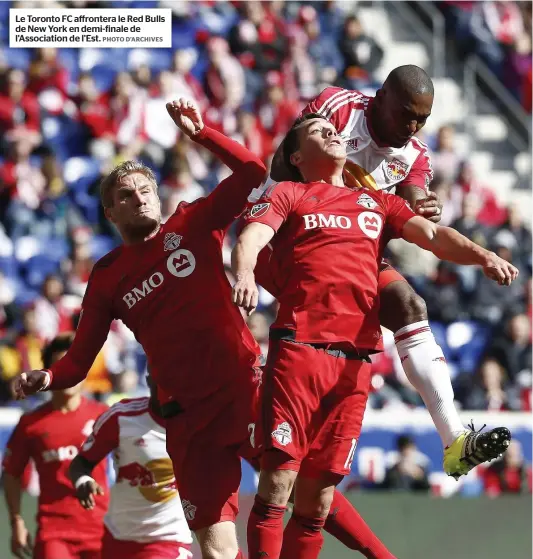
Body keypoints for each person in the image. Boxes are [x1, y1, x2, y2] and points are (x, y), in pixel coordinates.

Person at [233, 113, 516, 559]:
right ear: (295, 156)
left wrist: (482, 256)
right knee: (277, 485)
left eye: (332, 128)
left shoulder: (375, 203)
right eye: (315, 132)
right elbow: (251, 235)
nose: (330, 131)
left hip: (356, 363)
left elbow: (434, 236)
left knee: (317, 504)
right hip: (300, 350)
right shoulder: (291, 193)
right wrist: (245, 272)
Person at [11, 98, 267, 559]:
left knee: (299, 486)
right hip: (186, 417)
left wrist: (202, 133)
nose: (138, 197)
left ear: (158, 194)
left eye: (144, 189)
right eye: (125, 195)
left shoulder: (193, 221)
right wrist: (47, 377)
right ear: (111, 214)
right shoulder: (108, 275)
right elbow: (79, 360)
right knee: (214, 541)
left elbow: (253, 174)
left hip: (239, 385)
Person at [267, 64, 508, 479]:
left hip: (352, 254)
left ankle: (454, 441)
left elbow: (414, 199)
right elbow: (281, 164)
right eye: (405, 114)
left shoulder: (415, 155)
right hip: (295, 239)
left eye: (422, 119)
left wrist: (423, 205)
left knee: (410, 304)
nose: (412, 126)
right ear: (380, 98)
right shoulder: (338, 108)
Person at [2, 333, 109, 559]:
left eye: (74, 367)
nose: (69, 375)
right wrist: (17, 521)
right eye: (61, 367)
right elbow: (11, 474)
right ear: (48, 373)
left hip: (101, 531)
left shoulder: (103, 416)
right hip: (54, 534)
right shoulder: (31, 424)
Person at [69, 377, 193, 559]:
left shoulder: (197, 423)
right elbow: (81, 463)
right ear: (149, 379)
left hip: (170, 538)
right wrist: (83, 480)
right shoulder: (121, 417)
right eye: (159, 375)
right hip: (119, 537)